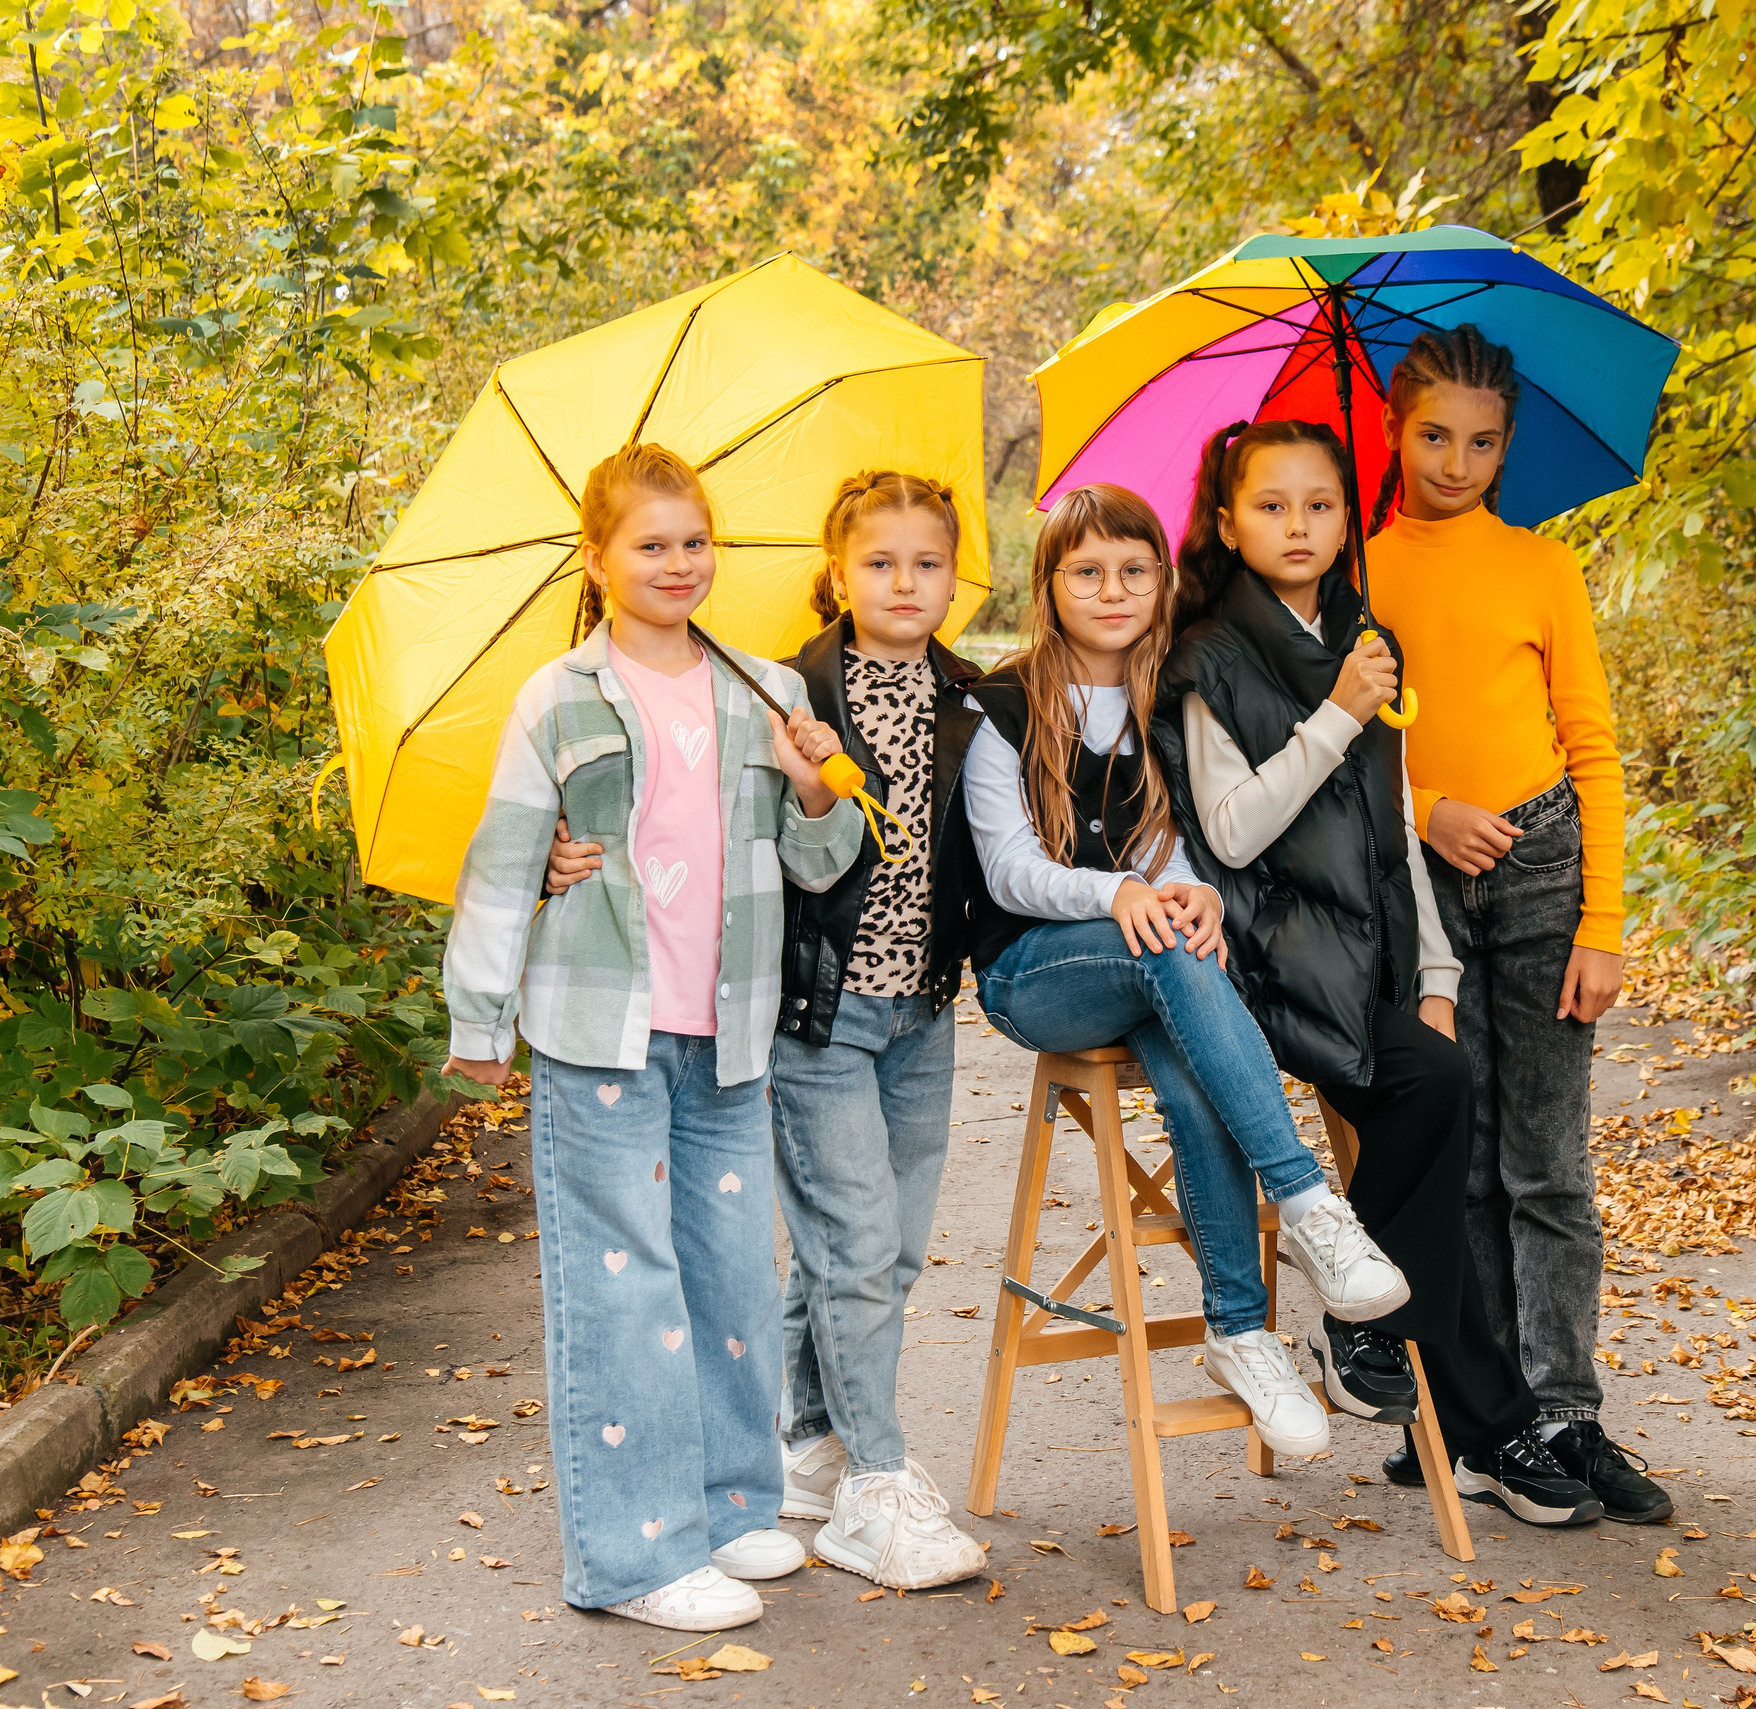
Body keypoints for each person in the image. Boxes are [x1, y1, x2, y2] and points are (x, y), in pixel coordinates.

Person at [1151, 418, 1614, 1527]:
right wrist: (1335, 715)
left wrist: (1438, 977)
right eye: (1271, 505)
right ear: (1228, 524)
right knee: (1434, 1101)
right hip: (1256, 966)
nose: (1298, 525)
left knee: (1441, 1082)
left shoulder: (1363, 637)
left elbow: (1397, 828)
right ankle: (1483, 1418)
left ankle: (1380, 1337)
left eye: (1320, 504)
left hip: (1361, 965)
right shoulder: (1206, 655)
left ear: (1345, 518)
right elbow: (1232, 828)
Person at [441, 443, 862, 1632]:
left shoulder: (766, 688)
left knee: (730, 1274)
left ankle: (730, 1504)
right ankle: (633, 1556)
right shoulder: (558, 696)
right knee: (621, 1287)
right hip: (600, 1028)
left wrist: (817, 784)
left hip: (726, 1029)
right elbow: (505, 860)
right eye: (650, 544)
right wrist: (480, 1017)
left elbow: (823, 859)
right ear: (598, 558)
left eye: (694, 541)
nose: (678, 563)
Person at [548, 471, 991, 1589]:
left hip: (923, 1007)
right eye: (879, 562)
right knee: (853, 1245)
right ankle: (876, 1479)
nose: (905, 582)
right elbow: (702, 827)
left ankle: (808, 1439)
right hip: (814, 1012)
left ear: (957, 577)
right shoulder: (789, 688)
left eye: (927, 563)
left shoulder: (970, 698)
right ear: (836, 572)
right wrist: (564, 840)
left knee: (880, 1250)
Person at [963, 480, 1411, 1458]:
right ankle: (1306, 1202)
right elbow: (1008, 870)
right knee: (1166, 946)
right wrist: (1121, 893)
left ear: (1163, 581)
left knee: (1192, 1045)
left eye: (1134, 570)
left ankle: (1240, 1334)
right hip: (1032, 974)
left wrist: (1192, 890)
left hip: (1145, 963)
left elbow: (1170, 848)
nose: (1112, 590)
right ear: (1049, 585)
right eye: (1087, 572)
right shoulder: (1002, 703)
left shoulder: (1162, 694)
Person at [1362, 325, 1669, 1522]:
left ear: (1506, 448)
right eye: (1435, 436)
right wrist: (1427, 809)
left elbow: (1592, 745)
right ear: (1394, 428)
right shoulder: (1356, 574)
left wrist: (1604, 920)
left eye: (1482, 443)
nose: (1456, 462)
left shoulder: (1542, 567)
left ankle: (1566, 1412)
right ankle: (1480, 1416)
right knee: (1463, 1156)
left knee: (1548, 1163)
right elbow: (1341, 756)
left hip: (1543, 866)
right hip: (1421, 873)